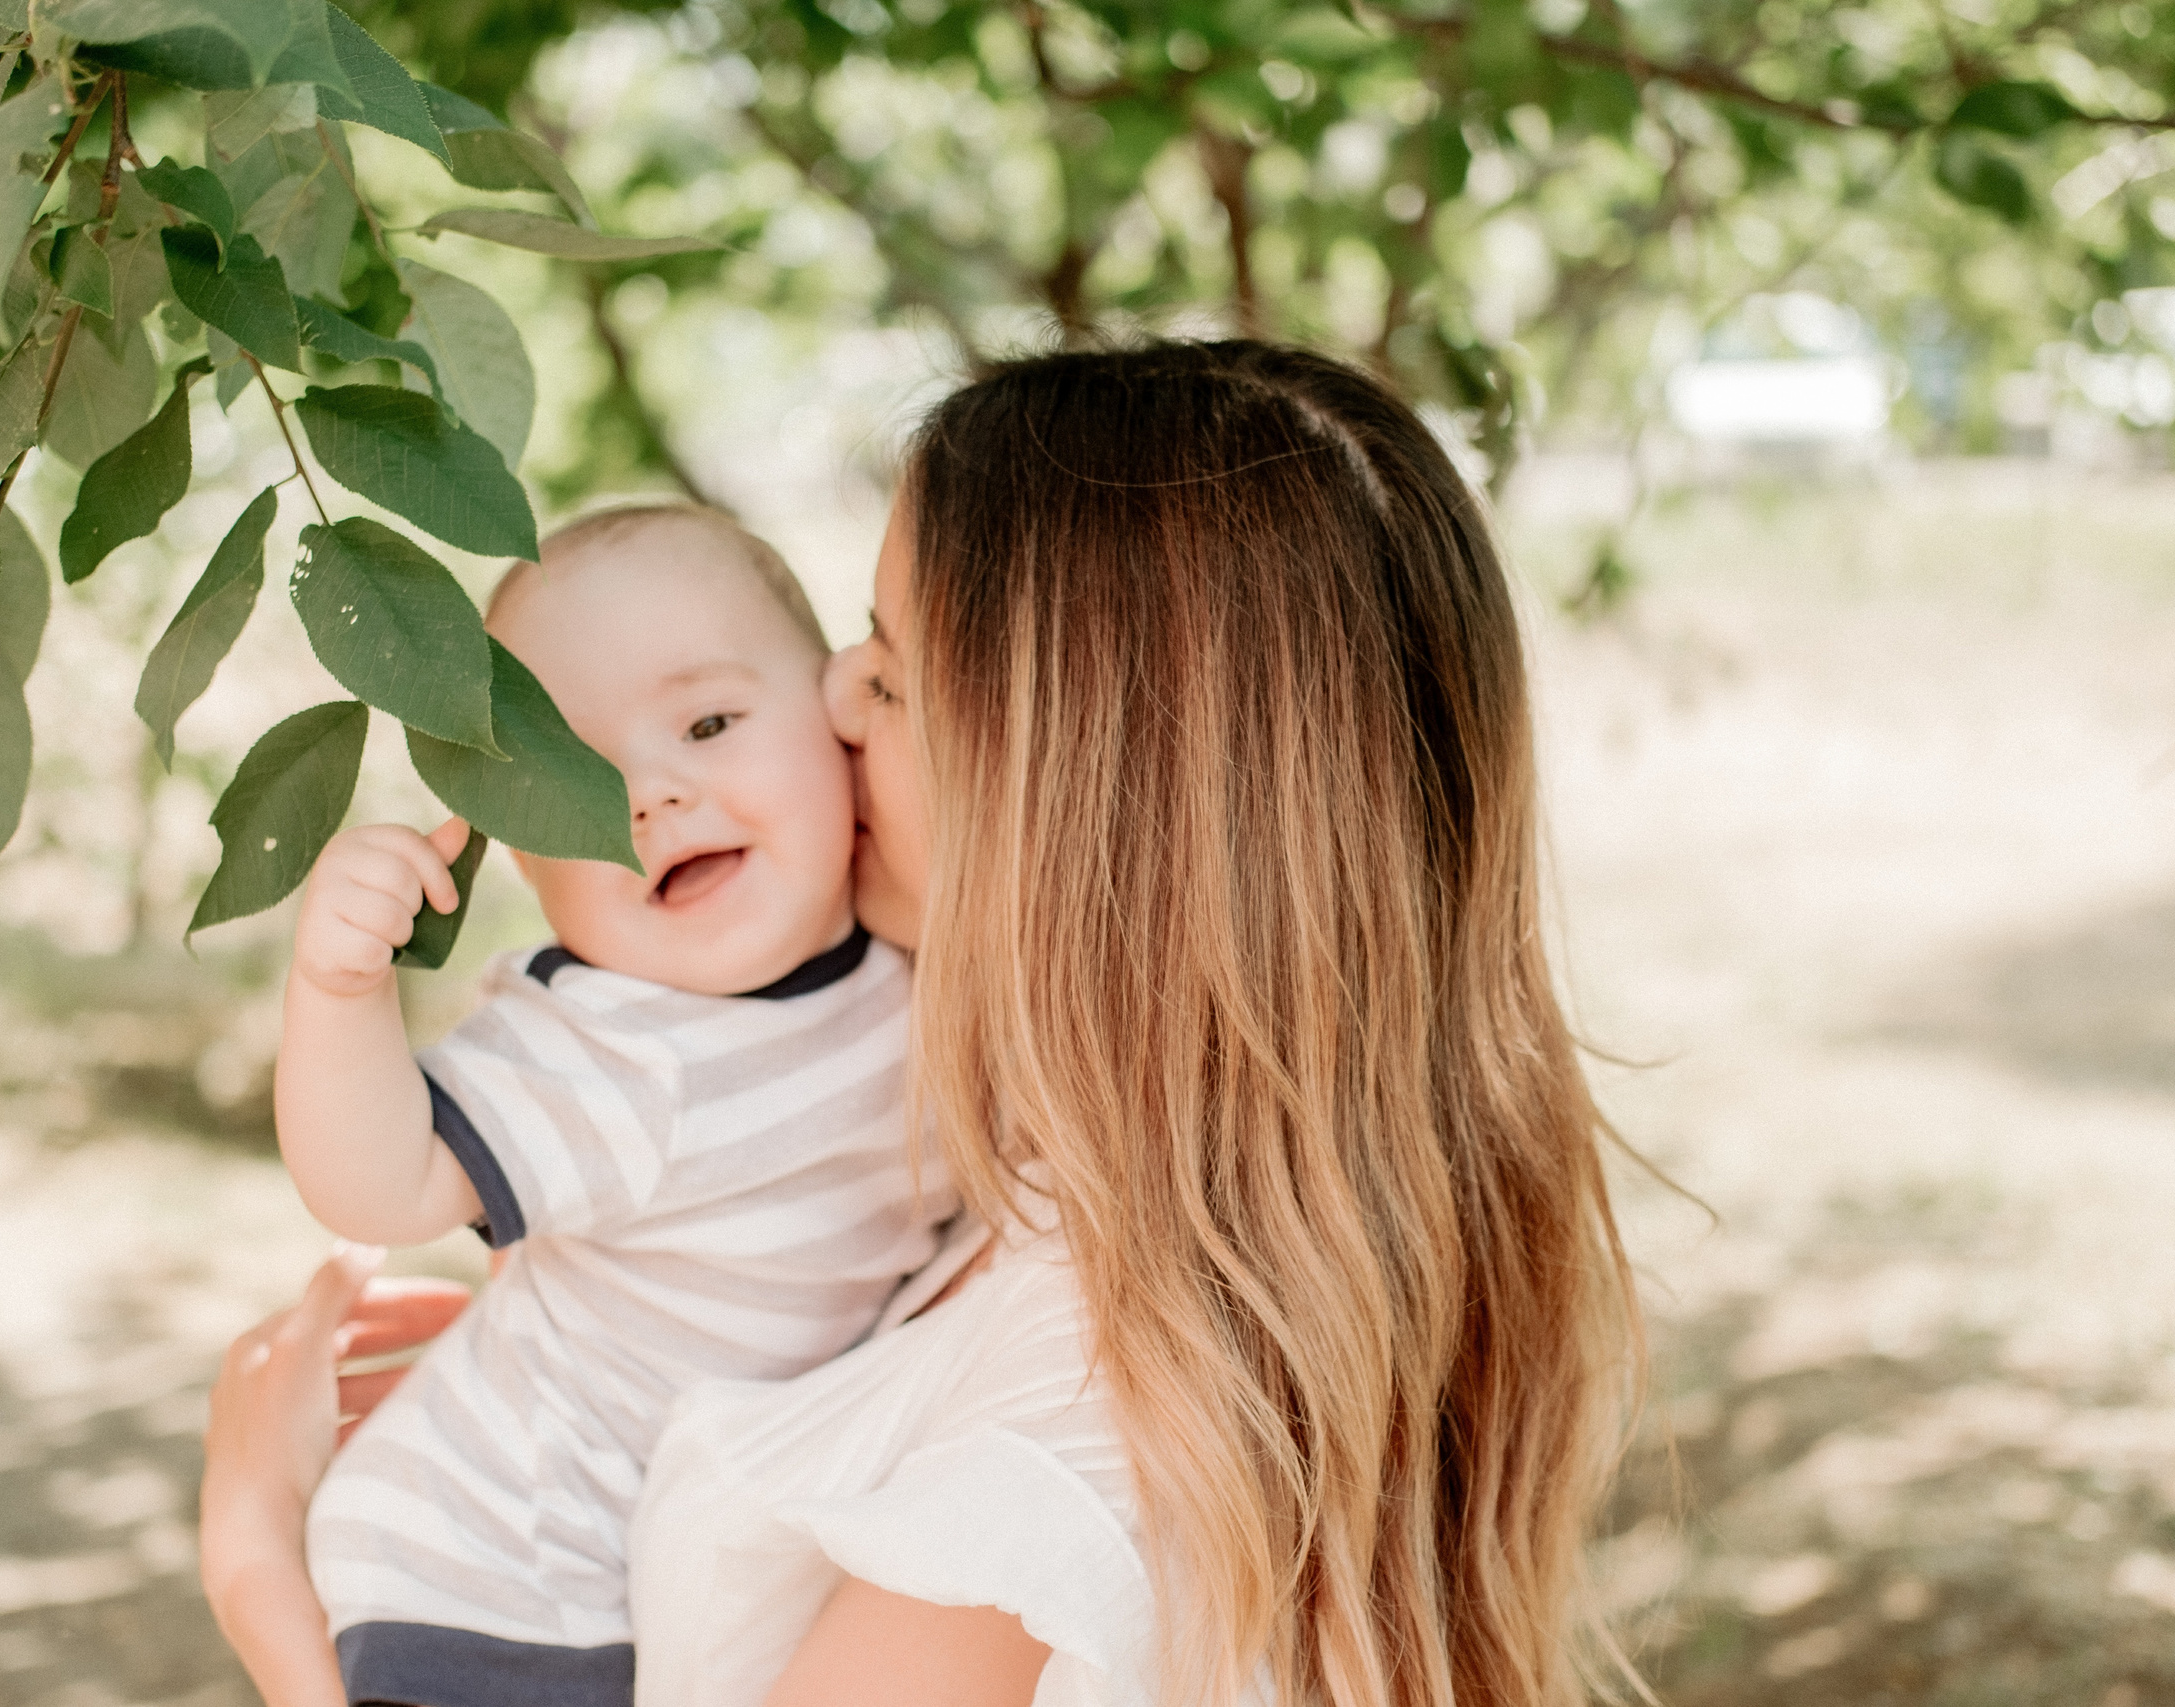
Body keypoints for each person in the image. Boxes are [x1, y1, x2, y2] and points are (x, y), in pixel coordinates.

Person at [203, 340, 1645, 1707]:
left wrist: (260, 1571)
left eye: (887, 673)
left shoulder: (1037, 1496)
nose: (829, 692)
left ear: (1064, 800)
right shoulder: (1075, 1185)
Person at [268, 504, 952, 1704]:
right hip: (497, 1572)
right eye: (572, 779)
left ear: (839, 725)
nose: (650, 795)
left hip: (663, 1576)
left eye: (708, 724)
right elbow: (382, 1182)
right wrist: (337, 988)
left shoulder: (915, 977)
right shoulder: (611, 1041)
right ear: (524, 864)